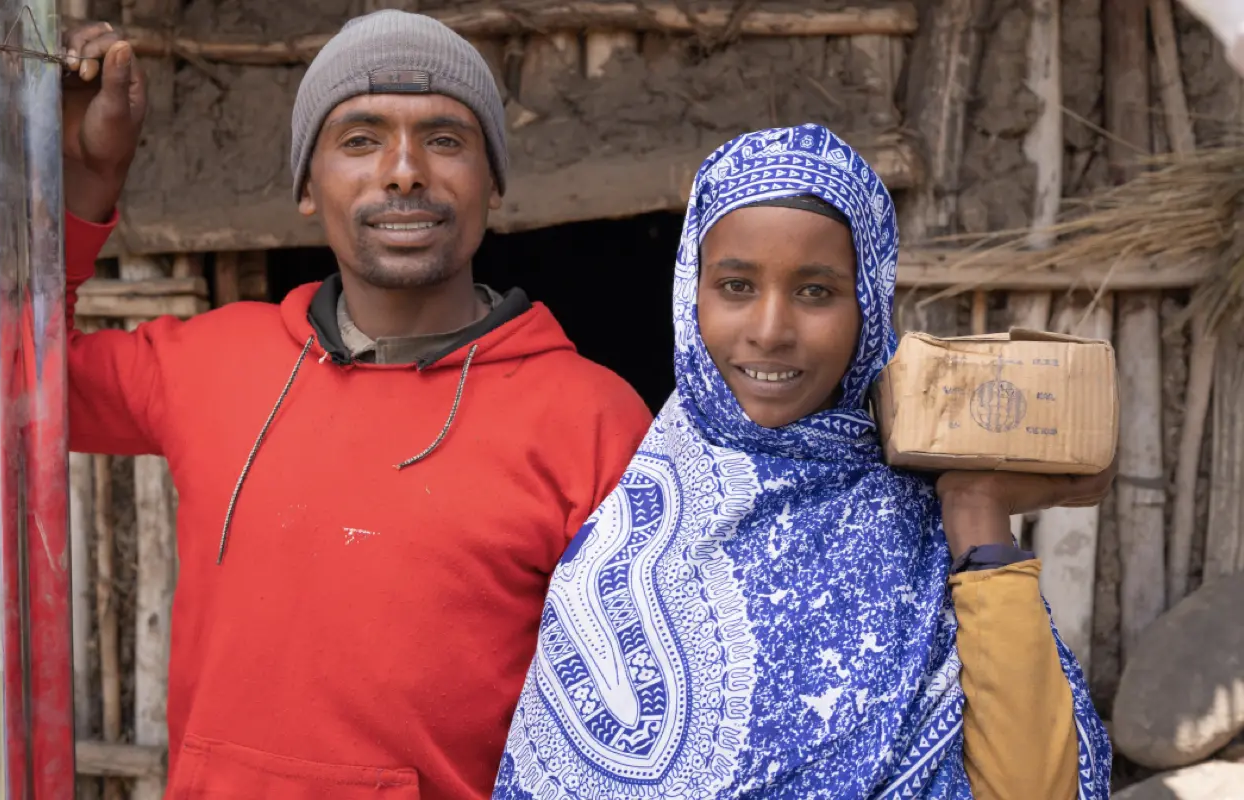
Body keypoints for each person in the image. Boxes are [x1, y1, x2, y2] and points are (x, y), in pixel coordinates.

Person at [60, 11, 651, 798]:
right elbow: (9, 378)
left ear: (495, 184)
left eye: (444, 140)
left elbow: (636, 723)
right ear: (307, 185)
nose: (404, 171)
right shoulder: (207, 361)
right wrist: (84, 186)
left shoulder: (594, 421)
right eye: (360, 139)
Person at [489, 125, 1115, 800]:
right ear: (690, 296)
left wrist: (976, 510)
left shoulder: (925, 531)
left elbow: (1039, 789)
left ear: (869, 308)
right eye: (735, 285)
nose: (770, 328)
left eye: (815, 291)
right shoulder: (618, 560)